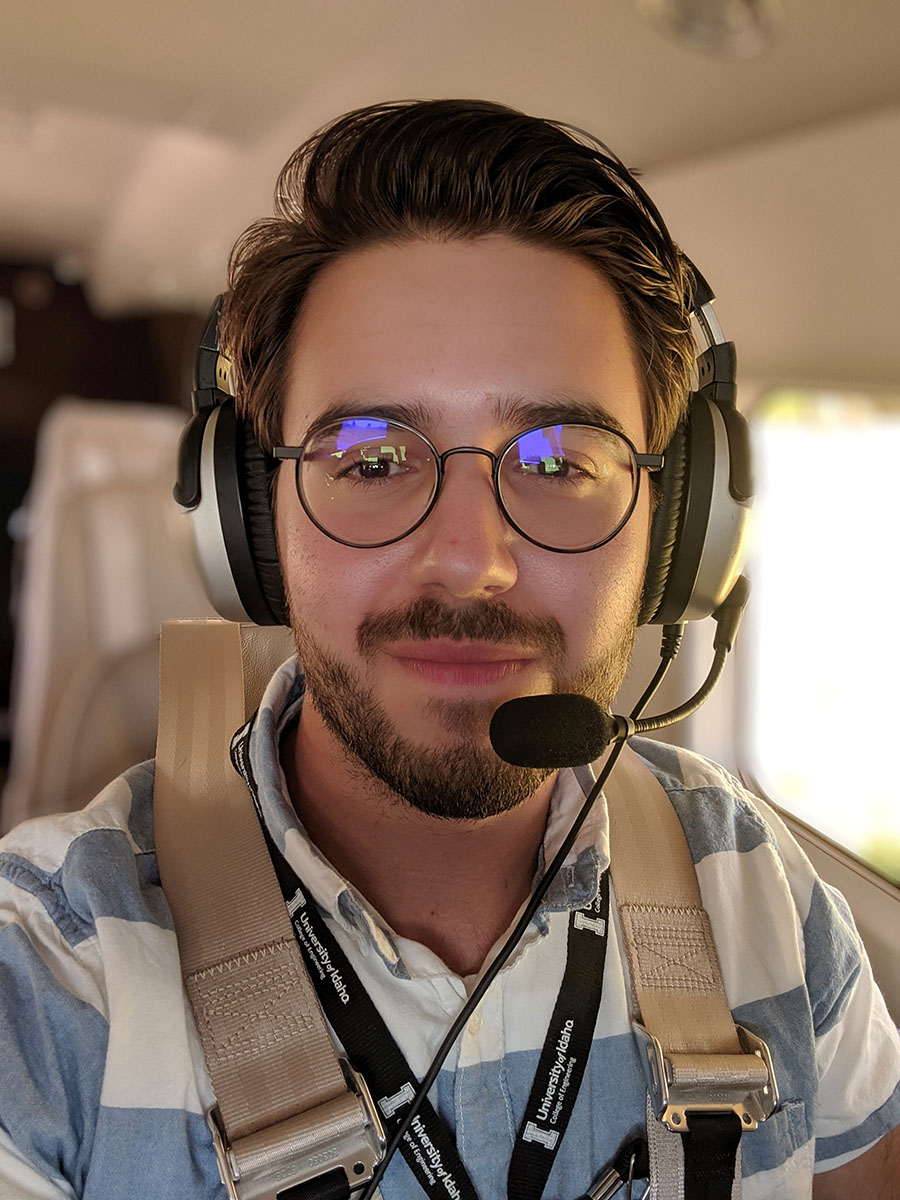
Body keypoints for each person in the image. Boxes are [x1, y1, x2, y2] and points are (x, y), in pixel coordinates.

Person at [0, 99, 897, 1200]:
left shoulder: (759, 889)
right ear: (250, 519)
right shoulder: (46, 979)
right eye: (372, 459)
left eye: (562, 459)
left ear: (681, 533)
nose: (471, 560)